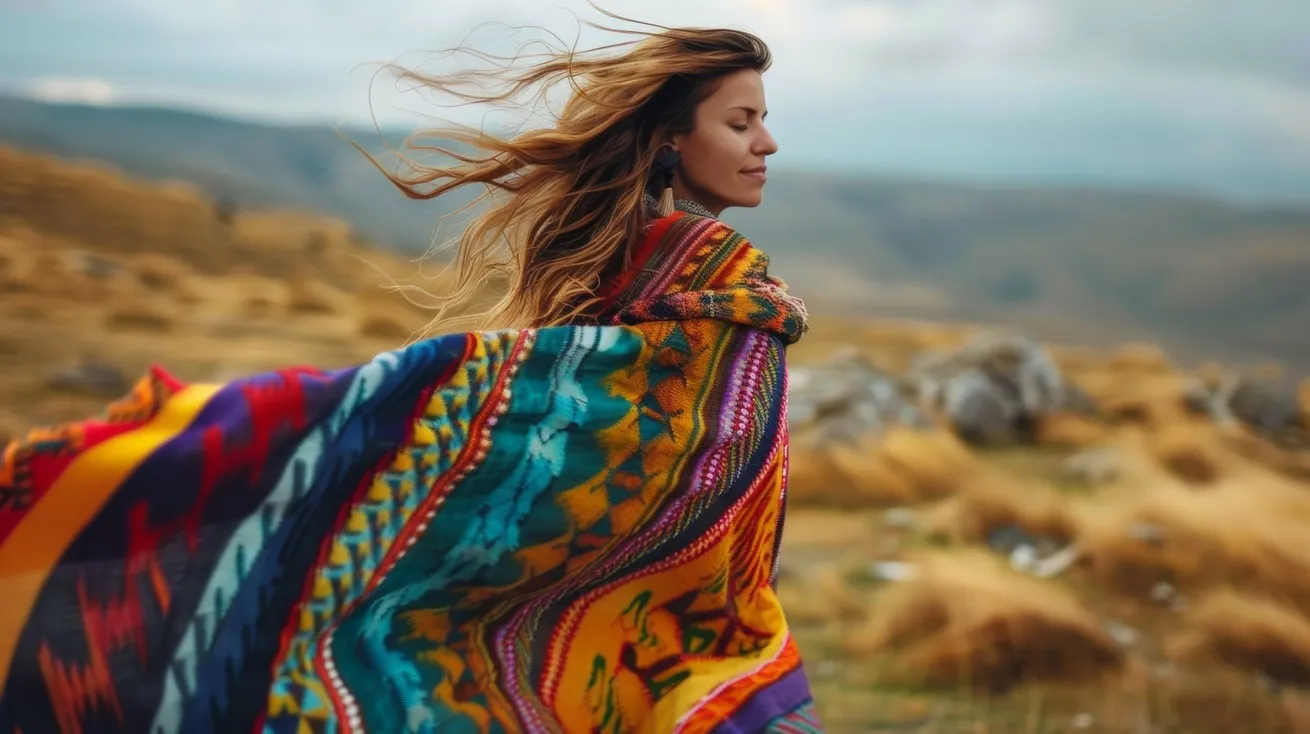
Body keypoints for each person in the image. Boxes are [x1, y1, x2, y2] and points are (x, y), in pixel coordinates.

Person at [0, 13, 819, 734]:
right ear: (674, 139)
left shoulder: (646, 280)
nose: (767, 143)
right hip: (676, 651)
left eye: (765, 121)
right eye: (741, 122)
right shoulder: (715, 289)